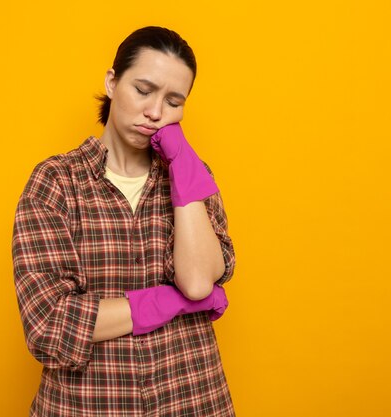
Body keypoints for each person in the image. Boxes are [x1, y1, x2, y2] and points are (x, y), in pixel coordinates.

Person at [12, 26, 236, 416]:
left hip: (193, 398)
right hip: (90, 405)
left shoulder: (194, 177)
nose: (155, 112)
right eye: (143, 90)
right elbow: (49, 325)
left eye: (174, 101)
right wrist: (167, 302)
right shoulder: (56, 183)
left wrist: (184, 166)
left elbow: (198, 281)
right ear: (112, 82)